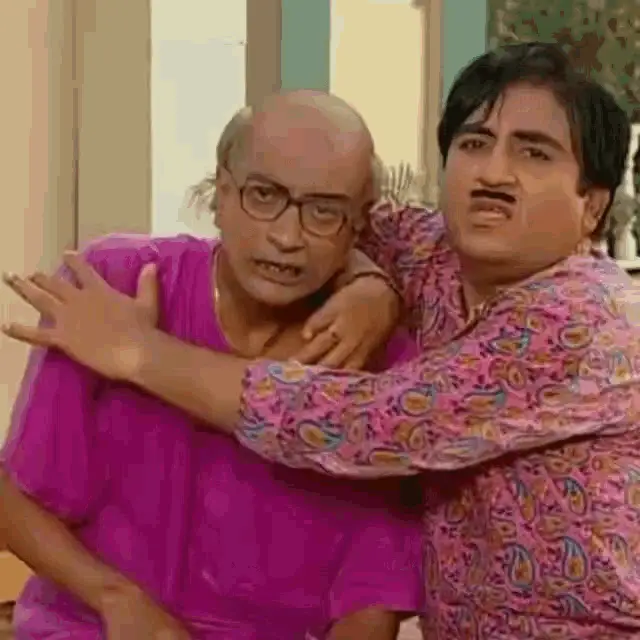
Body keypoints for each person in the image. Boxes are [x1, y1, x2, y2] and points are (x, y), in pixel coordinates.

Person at [4, 42, 639, 638]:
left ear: (592, 205)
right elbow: (337, 225)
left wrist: (138, 353)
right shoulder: (430, 254)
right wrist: (372, 285)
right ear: (219, 191)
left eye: (534, 153)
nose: (495, 172)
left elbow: (364, 426)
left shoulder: (584, 320)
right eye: (475, 142)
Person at [0, 102, 425, 639]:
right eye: (263, 195)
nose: (287, 236)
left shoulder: (383, 362)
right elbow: (18, 496)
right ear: (220, 192)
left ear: (358, 226)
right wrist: (116, 599)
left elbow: (372, 594)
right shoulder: (114, 282)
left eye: (324, 211)